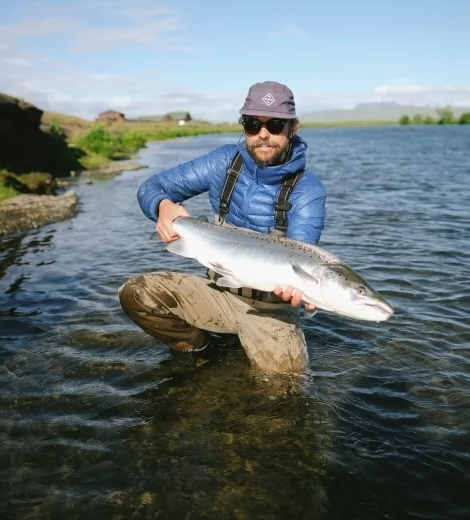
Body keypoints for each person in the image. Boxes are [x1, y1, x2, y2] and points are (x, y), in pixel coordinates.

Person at [118, 80, 326, 374]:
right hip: (217, 293)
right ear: (244, 126)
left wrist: (302, 289)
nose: (263, 135)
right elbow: (153, 186)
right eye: (253, 124)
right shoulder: (223, 162)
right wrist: (163, 207)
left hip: (270, 311)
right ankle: (201, 348)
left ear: (293, 128)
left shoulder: (307, 191)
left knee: (287, 394)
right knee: (136, 294)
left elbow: (302, 255)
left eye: (276, 125)